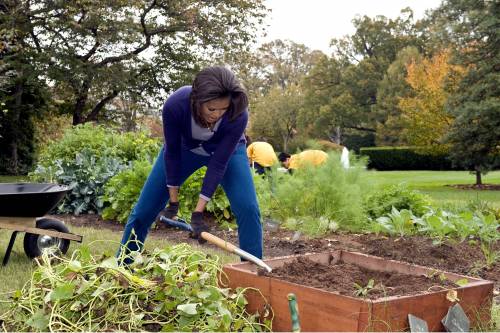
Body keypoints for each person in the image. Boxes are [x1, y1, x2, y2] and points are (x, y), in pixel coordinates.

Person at [118, 66, 262, 260]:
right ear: (197, 100)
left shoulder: (238, 114)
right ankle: (123, 266)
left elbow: (218, 164)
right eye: (212, 108)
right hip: (183, 149)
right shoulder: (175, 104)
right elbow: (172, 152)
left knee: (248, 207)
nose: (217, 114)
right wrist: (173, 202)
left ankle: (252, 275)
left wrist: (198, 213)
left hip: (227, 152)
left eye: (223, 109)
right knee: (145, 208)